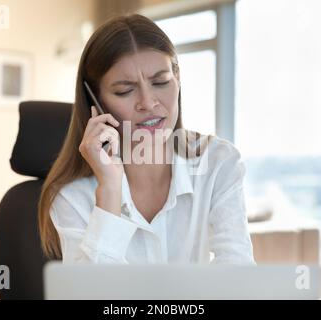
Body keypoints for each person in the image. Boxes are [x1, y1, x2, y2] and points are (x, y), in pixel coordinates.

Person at [38, 13, 255, 265]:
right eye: (125, 90)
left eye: (161, 82)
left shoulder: (218, 162)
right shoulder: (72, 195)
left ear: (178, 78)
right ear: (95, 100)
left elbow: (238, 274)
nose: (148, 103)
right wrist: (109, 192)